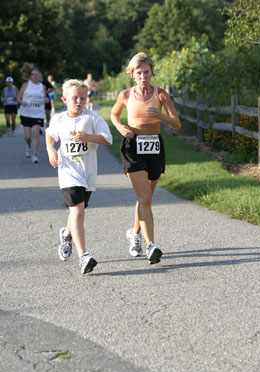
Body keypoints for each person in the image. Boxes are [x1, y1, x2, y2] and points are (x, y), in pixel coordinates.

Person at [111, 52, 181, 264]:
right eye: (139, 73)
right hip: (133, 147)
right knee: (145, 199)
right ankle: (152, 246)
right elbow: (114, 115)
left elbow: (177, 124)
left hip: (154, 146)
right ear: (132, 74)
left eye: (146, 72)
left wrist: (160, 115)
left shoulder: (161, 96)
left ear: (152, 73)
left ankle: (135, 234)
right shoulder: (125, 95)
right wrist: (120, 127)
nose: (143, 76)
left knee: (145, 197)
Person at [46, 79, 112, 274]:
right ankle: (83, 256)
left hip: (88, 173)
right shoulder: (58, 119)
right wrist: (51, 149)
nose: (79, 102)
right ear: (65, 98)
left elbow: (108, 138)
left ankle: (66, 236)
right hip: (68, 171)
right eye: (75, 98)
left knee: (78, 211)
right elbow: (50, 135)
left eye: (82, 98)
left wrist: (88, 137)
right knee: (78, 212)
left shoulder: (92, 118)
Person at [17, 63, 47, 163]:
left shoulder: (42, 87)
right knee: (28, 136)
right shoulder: (26, 85)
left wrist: (46, 99)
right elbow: (18, 97)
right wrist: (22, 102)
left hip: (38, 113)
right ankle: (29, 145)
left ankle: (35, 155)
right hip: (26, 113)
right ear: (30, 76)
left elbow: (45, 98)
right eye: (33, 74)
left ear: (39, 76)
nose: (34, 76)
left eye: (36, 74)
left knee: (36, 134)